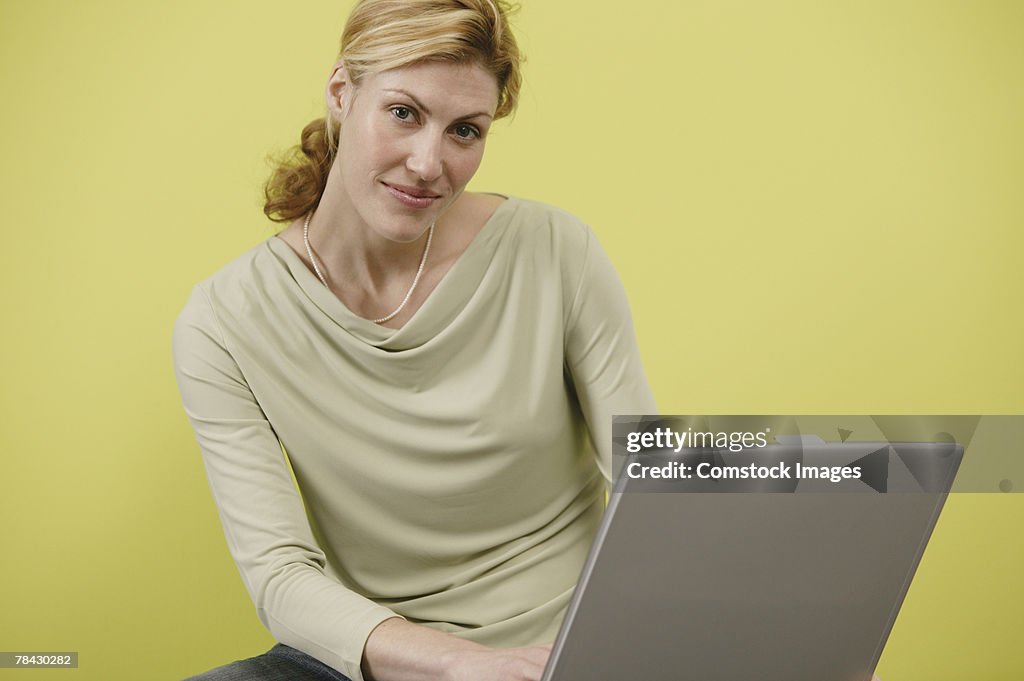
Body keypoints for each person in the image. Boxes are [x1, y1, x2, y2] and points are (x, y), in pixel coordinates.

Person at [172, 1, 656, 679]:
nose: (430, 164)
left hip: (570, 648)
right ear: (342, 92)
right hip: (376, 657)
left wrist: (778, 624)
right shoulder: (224, 323)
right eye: (403, 112)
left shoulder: (555, 251)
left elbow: (650, 478)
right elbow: (280, 575)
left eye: (465, 130)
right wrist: (458, 663)